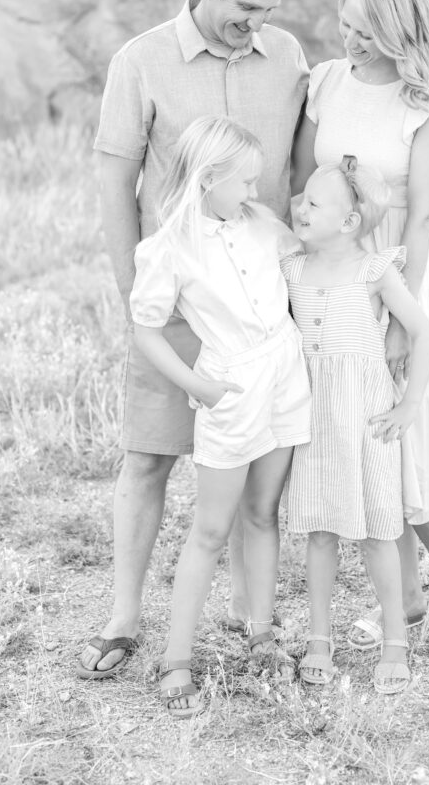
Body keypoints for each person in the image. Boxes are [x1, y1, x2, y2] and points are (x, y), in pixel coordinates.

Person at [78, 0, 309, 680]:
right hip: (176, 300)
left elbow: (297, 175)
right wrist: (129, 287)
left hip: (260, 303)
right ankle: (123, 616)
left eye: (270, 8)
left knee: (251, 473)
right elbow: (115, 178)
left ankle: (252, 626)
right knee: (148, 457)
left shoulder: (287, 58)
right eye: (246, 5)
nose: (258, 22)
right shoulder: (140, 60)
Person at [291, 0, 429, 659]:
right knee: (360, 428)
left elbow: (423, 218)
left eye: (366, 32)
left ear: (398, 29)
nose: (351, 43)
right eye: (344, 27)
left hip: (397, 267)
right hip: (332, 272)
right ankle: (402, 595)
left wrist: (403, 320)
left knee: (413, 425)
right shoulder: (326, 82)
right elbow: (303, 180)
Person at [129, 116, 311, 717]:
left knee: (263, 514)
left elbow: (308, 260)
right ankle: (176, 658)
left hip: (284, 372)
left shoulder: (259, 223)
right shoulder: (167, 247)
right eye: (244, 183)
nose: (254, 193)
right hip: (230, 386)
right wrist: (198, 386)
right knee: (211, 529)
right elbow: (147, 328)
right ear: (207, 179)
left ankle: (261, 634)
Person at [284, 158, 429, 694]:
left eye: (314, 202)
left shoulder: (374, 271)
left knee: (376, 533)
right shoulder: (293, 271)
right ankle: (318, 638)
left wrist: (409, 405)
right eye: (302, 197)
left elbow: (423, 333)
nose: (300, 206)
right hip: (314, 419)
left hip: (366, 417)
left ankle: (396, 640)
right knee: (320, 530)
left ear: (349, 223)